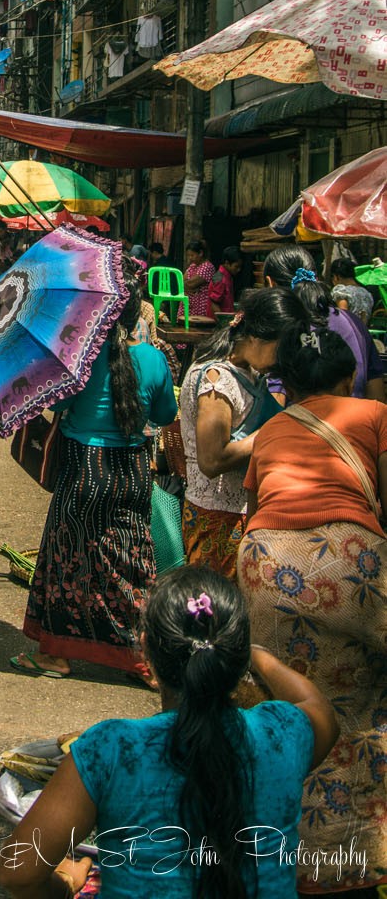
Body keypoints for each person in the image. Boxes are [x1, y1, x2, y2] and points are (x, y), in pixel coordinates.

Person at [0, 567, 339, 899]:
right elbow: (317, 706)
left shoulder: (109, 748)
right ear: (234, 656)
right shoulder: (282, 733)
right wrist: (254, 655)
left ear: (145, 650)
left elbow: (19, 873)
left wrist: (66, 885)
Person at [240, 325, 387, 895]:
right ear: (348, 377)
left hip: (267, 561)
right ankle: (359, 856)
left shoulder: (271, 428)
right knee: (366, 704)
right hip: (351, 558)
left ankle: (286, 857)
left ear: (287, 384)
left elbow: (255, 505)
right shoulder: (374, 414)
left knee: (288, 707)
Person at [12, 269, 177, 686]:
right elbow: (164, 416)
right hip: (133, 472)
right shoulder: (155, 358)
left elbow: (58, 404)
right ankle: (145, 657)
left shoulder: (79, 356)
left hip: (84, 469)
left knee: (67, 559)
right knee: (132, 563)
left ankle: (55, 654)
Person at [179, 287, 305, 578]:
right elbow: (211, 461)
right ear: (257, 337)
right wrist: (274, 430)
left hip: (239, 513)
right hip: (217, 519)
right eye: (282, 346)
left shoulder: (250, 373)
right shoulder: (216, 379)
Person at [264, 244, 384, 400]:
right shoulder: (353, 321)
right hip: (358, 420)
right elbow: (377, 393)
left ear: (270, 283)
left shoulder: (282, 326)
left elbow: (276, 398)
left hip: (304, 421)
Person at [329, 255, 375, 326]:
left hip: (347, 334)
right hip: (363, 333)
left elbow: (342, 316)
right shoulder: (366, 293)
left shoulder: (341, 290)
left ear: (336, 276)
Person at [183, 239, 215, 318]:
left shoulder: (207, 267)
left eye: (192, 255)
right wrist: (187, 286)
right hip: (188, 305)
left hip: (200, 307)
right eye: (188, 255)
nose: (190, 258)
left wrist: (187, 286)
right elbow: (181, 282)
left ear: (200, 253)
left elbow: (190, 284)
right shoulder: (192, 266)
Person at [208, 245, 243, 315]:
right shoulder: (220, 278)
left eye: (240, 267)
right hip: (217, 322)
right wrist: (223, 321)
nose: (239, 270)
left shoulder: (226, 276)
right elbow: (214, 303)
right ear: (227, 263)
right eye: (236, 266)